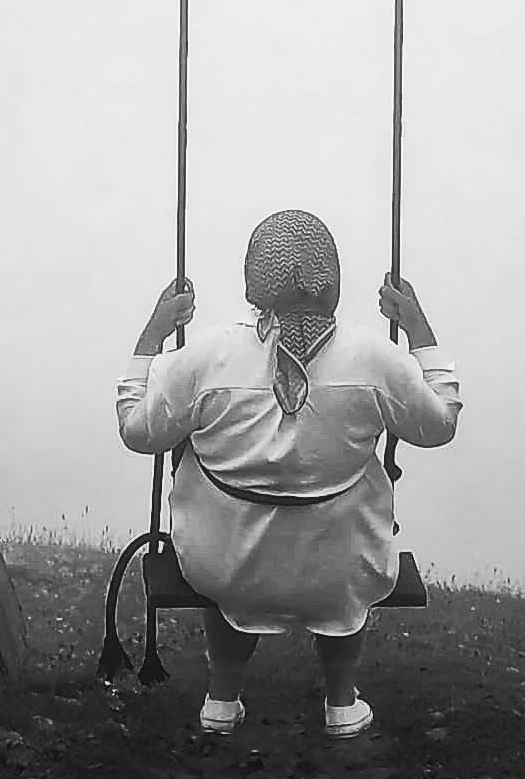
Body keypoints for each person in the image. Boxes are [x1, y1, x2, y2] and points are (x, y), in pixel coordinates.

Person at [117, 207, 460, 741]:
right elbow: (439, 425)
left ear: (253, 282)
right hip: (339, 563)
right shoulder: (372, 357)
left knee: (233, 554)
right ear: (334, 283)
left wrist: (152, 336)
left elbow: (138, 431)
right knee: (340, 568)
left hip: (225, 562)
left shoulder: (209, 355)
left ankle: (222, 699)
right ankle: (341, 704)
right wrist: (418, 328)